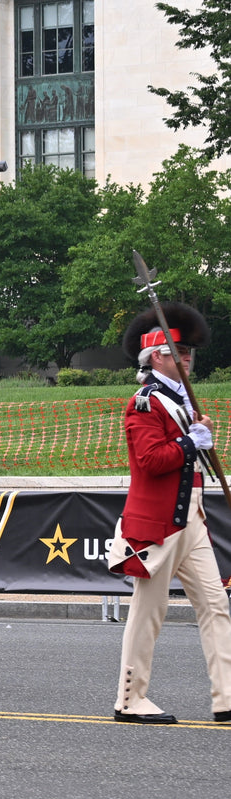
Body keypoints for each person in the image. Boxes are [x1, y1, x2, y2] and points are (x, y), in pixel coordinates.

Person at [109, 303, 231, 724]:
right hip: (158, 524)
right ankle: (130, 698)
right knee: (149, 614)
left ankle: (226, 698)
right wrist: (189, 443)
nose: (188, 358)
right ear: (157, 355)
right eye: (180, 351)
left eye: (189, 351)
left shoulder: (179, 404)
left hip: (192, 520)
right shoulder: (145, 403)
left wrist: (200, 438)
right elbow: (150, 461)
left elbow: (190, 466)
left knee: (216, 605)